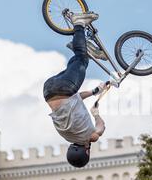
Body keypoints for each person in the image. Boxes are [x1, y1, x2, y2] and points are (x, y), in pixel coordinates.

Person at [43, 11, 107, 168]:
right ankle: (79, 46)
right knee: (78, 65)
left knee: (81, 59)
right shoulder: (66, 135)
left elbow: (100, 129)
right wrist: (94, 92)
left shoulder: (89, 136)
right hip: (49, 90)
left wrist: (96, 115)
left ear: (87, 153)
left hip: (65, 88)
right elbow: (76, 99)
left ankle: (78, 23)